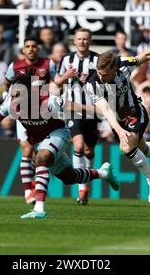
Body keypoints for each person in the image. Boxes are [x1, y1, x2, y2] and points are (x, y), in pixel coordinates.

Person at [0, 73, 120, 219]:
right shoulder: (10, 104)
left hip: (59, 134)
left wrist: (103, 111)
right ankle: (103, 173)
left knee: (42, 158)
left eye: (17, 96)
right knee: (70, 178)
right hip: (39, 141)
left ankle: (39, 208)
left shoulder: (47, 101)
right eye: (12, 95)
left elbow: (76, 107)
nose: (13, 100)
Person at [85, 27, 150, 204]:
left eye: (104, 74)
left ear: (114, 69)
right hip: (117, 119)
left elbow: (148, 54)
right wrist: (120, 130)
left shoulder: (124, 64)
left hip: (134, 111)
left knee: (127, 147)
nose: (100, 76)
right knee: (141, 148)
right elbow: (105, 110)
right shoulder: (92, 84)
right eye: (98, 72)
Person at [2, 35, 58, 205]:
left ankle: (35, 183)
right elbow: (6, 83)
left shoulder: (49, 64)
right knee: (26, 149)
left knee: (40, 154)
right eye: (28, 46)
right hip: (24, 112)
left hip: (44, 113)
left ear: (38, 48)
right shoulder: (15, 66)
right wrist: (7, 97)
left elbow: (57, 83)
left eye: (34, 46)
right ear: (23, 49)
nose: (31, 49)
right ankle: (28, 192)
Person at [54, 28, 99, 205]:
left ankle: (85, 185)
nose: (82, 42)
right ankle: (81, 189)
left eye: (85, 39)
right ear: (74, 41)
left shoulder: (97, 60)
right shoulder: (67, 59)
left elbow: (106, 80)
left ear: (90, 40)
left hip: (93, 109)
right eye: (79, 39)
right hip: (73, 109)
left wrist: (92, 78)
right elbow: (57, 82)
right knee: (78, 145)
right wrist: (67, 75)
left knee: (89, 150)